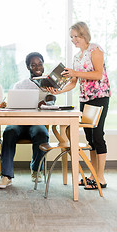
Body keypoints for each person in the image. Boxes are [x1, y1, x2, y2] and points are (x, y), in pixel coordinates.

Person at [47, 22, 111, 189]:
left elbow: (98, 74)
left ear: (84, 35)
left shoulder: (95, 49)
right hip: (84, 99)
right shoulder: (77, 57)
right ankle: (93, 175)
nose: (74, 40)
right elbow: (74, 82)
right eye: (71, 37)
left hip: (99, 97)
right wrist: (57, 91)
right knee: (90, 139)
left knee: (97, 136)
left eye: (76, 36)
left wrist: (75, 72)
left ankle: (101, 178)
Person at [0, 52, 56, 189]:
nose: (37, 67)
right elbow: (12, 105)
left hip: (37, 123)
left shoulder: (49, 85)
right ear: (28, 67)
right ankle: (6, 176)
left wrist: (46, 104)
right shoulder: (20, 85)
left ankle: (36, 170)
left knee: (42, 133)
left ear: (43, 64)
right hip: (19, 123)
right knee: (9, 132)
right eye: (33, 65)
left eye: (40, 64)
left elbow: (52, 101)